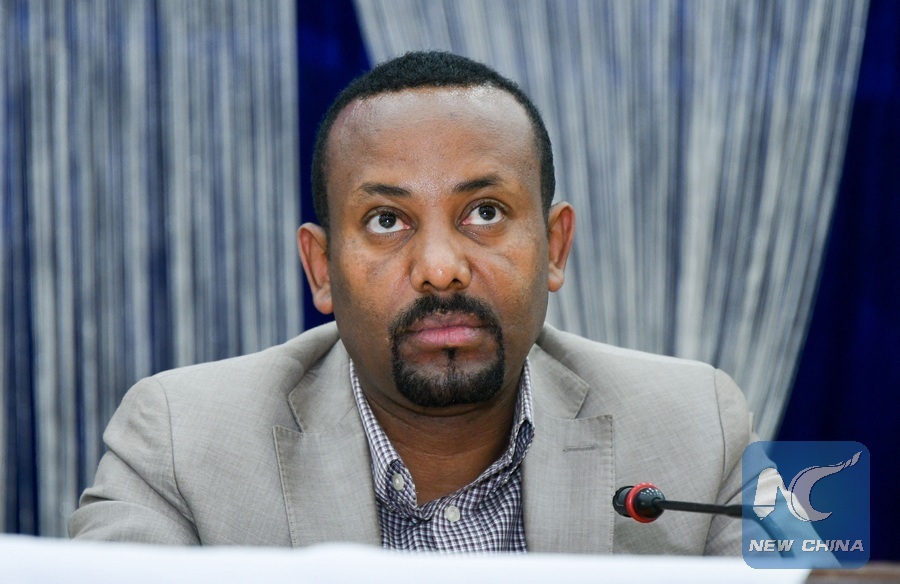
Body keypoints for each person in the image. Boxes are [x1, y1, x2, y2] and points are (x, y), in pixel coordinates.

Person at [69, 51, 754, 554]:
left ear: (555, 246)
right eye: (386, 221)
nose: (440, 269)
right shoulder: (179, 443)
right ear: (321, 268)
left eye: (485, 212)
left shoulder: (702, 426)